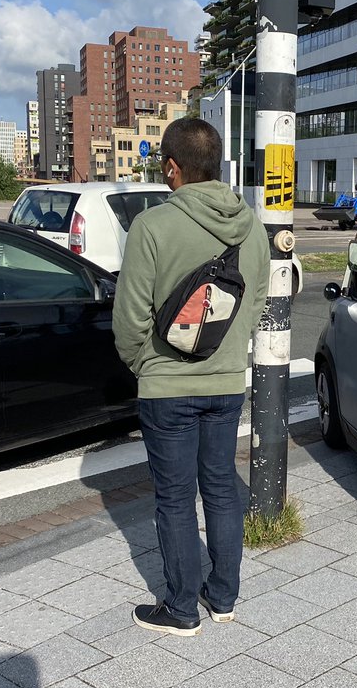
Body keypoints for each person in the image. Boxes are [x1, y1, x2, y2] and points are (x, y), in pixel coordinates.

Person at [112, 118, 270, 637]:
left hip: (167, 387)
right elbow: (257, 304)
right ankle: (222, 597)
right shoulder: (252, 227)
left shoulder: (152, 227)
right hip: (227, 384)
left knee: (176, 498)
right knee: (222, 489)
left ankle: (181, 609)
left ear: (172, 167)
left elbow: (130, 319)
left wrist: (146, 366)